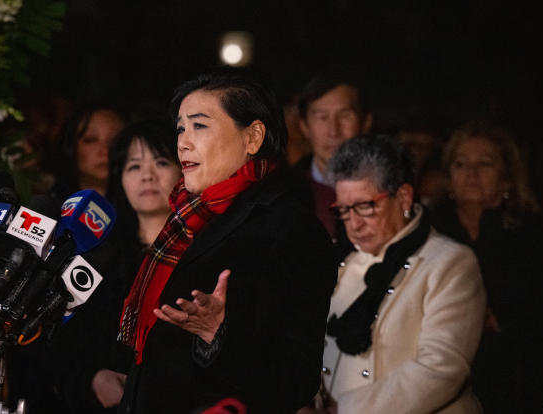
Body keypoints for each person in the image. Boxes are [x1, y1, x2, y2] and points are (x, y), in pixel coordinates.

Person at [116, 69, 337, 413]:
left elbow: (294, 381)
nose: (183, 142)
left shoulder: (291, 229)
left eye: (199, 126)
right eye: (180, 128)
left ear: (253, 137)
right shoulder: (187, 218)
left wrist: (218, 334)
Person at [314, 135, 485, 414]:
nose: (354, 224)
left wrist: (343, 410)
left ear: (403, 197)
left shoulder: (449, 263)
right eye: (344, 210)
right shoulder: (338, 259)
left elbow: (441, 369)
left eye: (365, 206)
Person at [431, 121, 543, 413]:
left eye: (485, 164)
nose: (471, 174)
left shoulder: (533, 235)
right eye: (461, 164)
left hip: (516, 378)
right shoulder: (429, 231)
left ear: (507, 178)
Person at [90, 118, 183, 411]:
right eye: (134, 166)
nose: (147, 176)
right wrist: (92, 379)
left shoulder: (208, 250)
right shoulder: (101, 257)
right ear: (119, 179)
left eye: (161, 162)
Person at [294, 73, 372, 238]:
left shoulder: (389, 187)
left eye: (345, 116)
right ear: (304, 127)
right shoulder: (283, 192)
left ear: (365, 122)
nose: (333, 131)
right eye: (322, 118)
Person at [52, 105, 126, 199]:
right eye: (91, 139)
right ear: (71, 147)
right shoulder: (47, 207)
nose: (105, 150)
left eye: (115, 140)